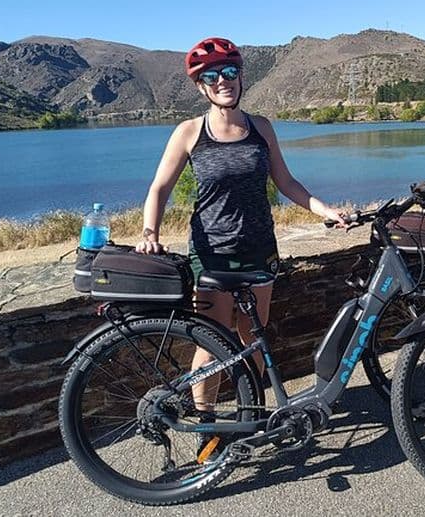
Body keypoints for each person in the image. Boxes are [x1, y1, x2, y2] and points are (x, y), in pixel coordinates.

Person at [135, 36, 346, 457]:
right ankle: (208, 426)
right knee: (210, 344)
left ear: (242, 77)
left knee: (253, 338)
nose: (222, 81)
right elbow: (160, 187)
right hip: (211, 255)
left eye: (229, 72)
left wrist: (323, 209)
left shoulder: (261, 127)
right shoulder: (190, 132)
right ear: (200, 87)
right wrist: (149, 231)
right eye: (211, 77)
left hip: (258, 251)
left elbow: (286, 183)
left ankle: (248, 414)